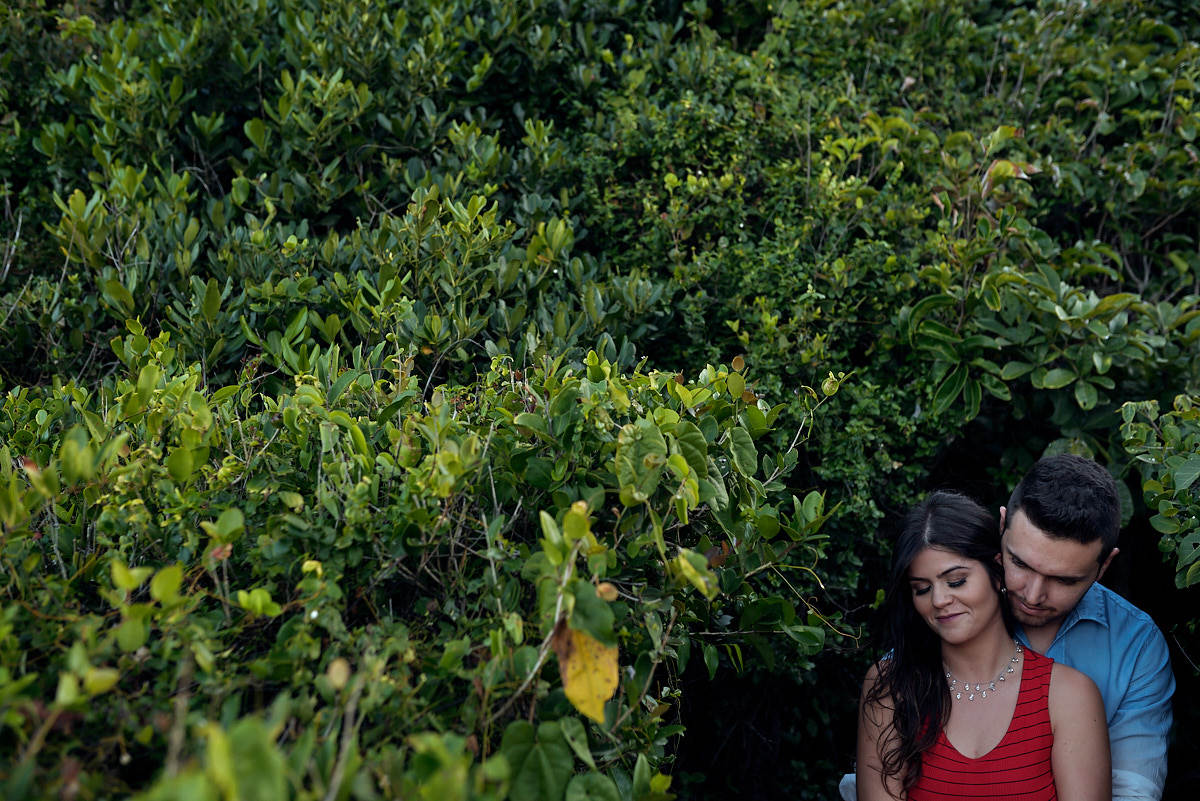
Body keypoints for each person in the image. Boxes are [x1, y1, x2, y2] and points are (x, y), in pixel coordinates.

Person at [856, 491, 1110, 799]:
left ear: (997, 570)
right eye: (922, 589)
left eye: (956, 581)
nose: (938, 600)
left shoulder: (1069, 696)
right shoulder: (890, 686)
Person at [999, 454, 1174, 799]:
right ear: (1000, 526)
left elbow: (1132, 790)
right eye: (1019, 563)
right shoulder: (956, 608)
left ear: (1104, 565)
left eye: (1064, 580)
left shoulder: (1136, 644)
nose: (1033, 595)